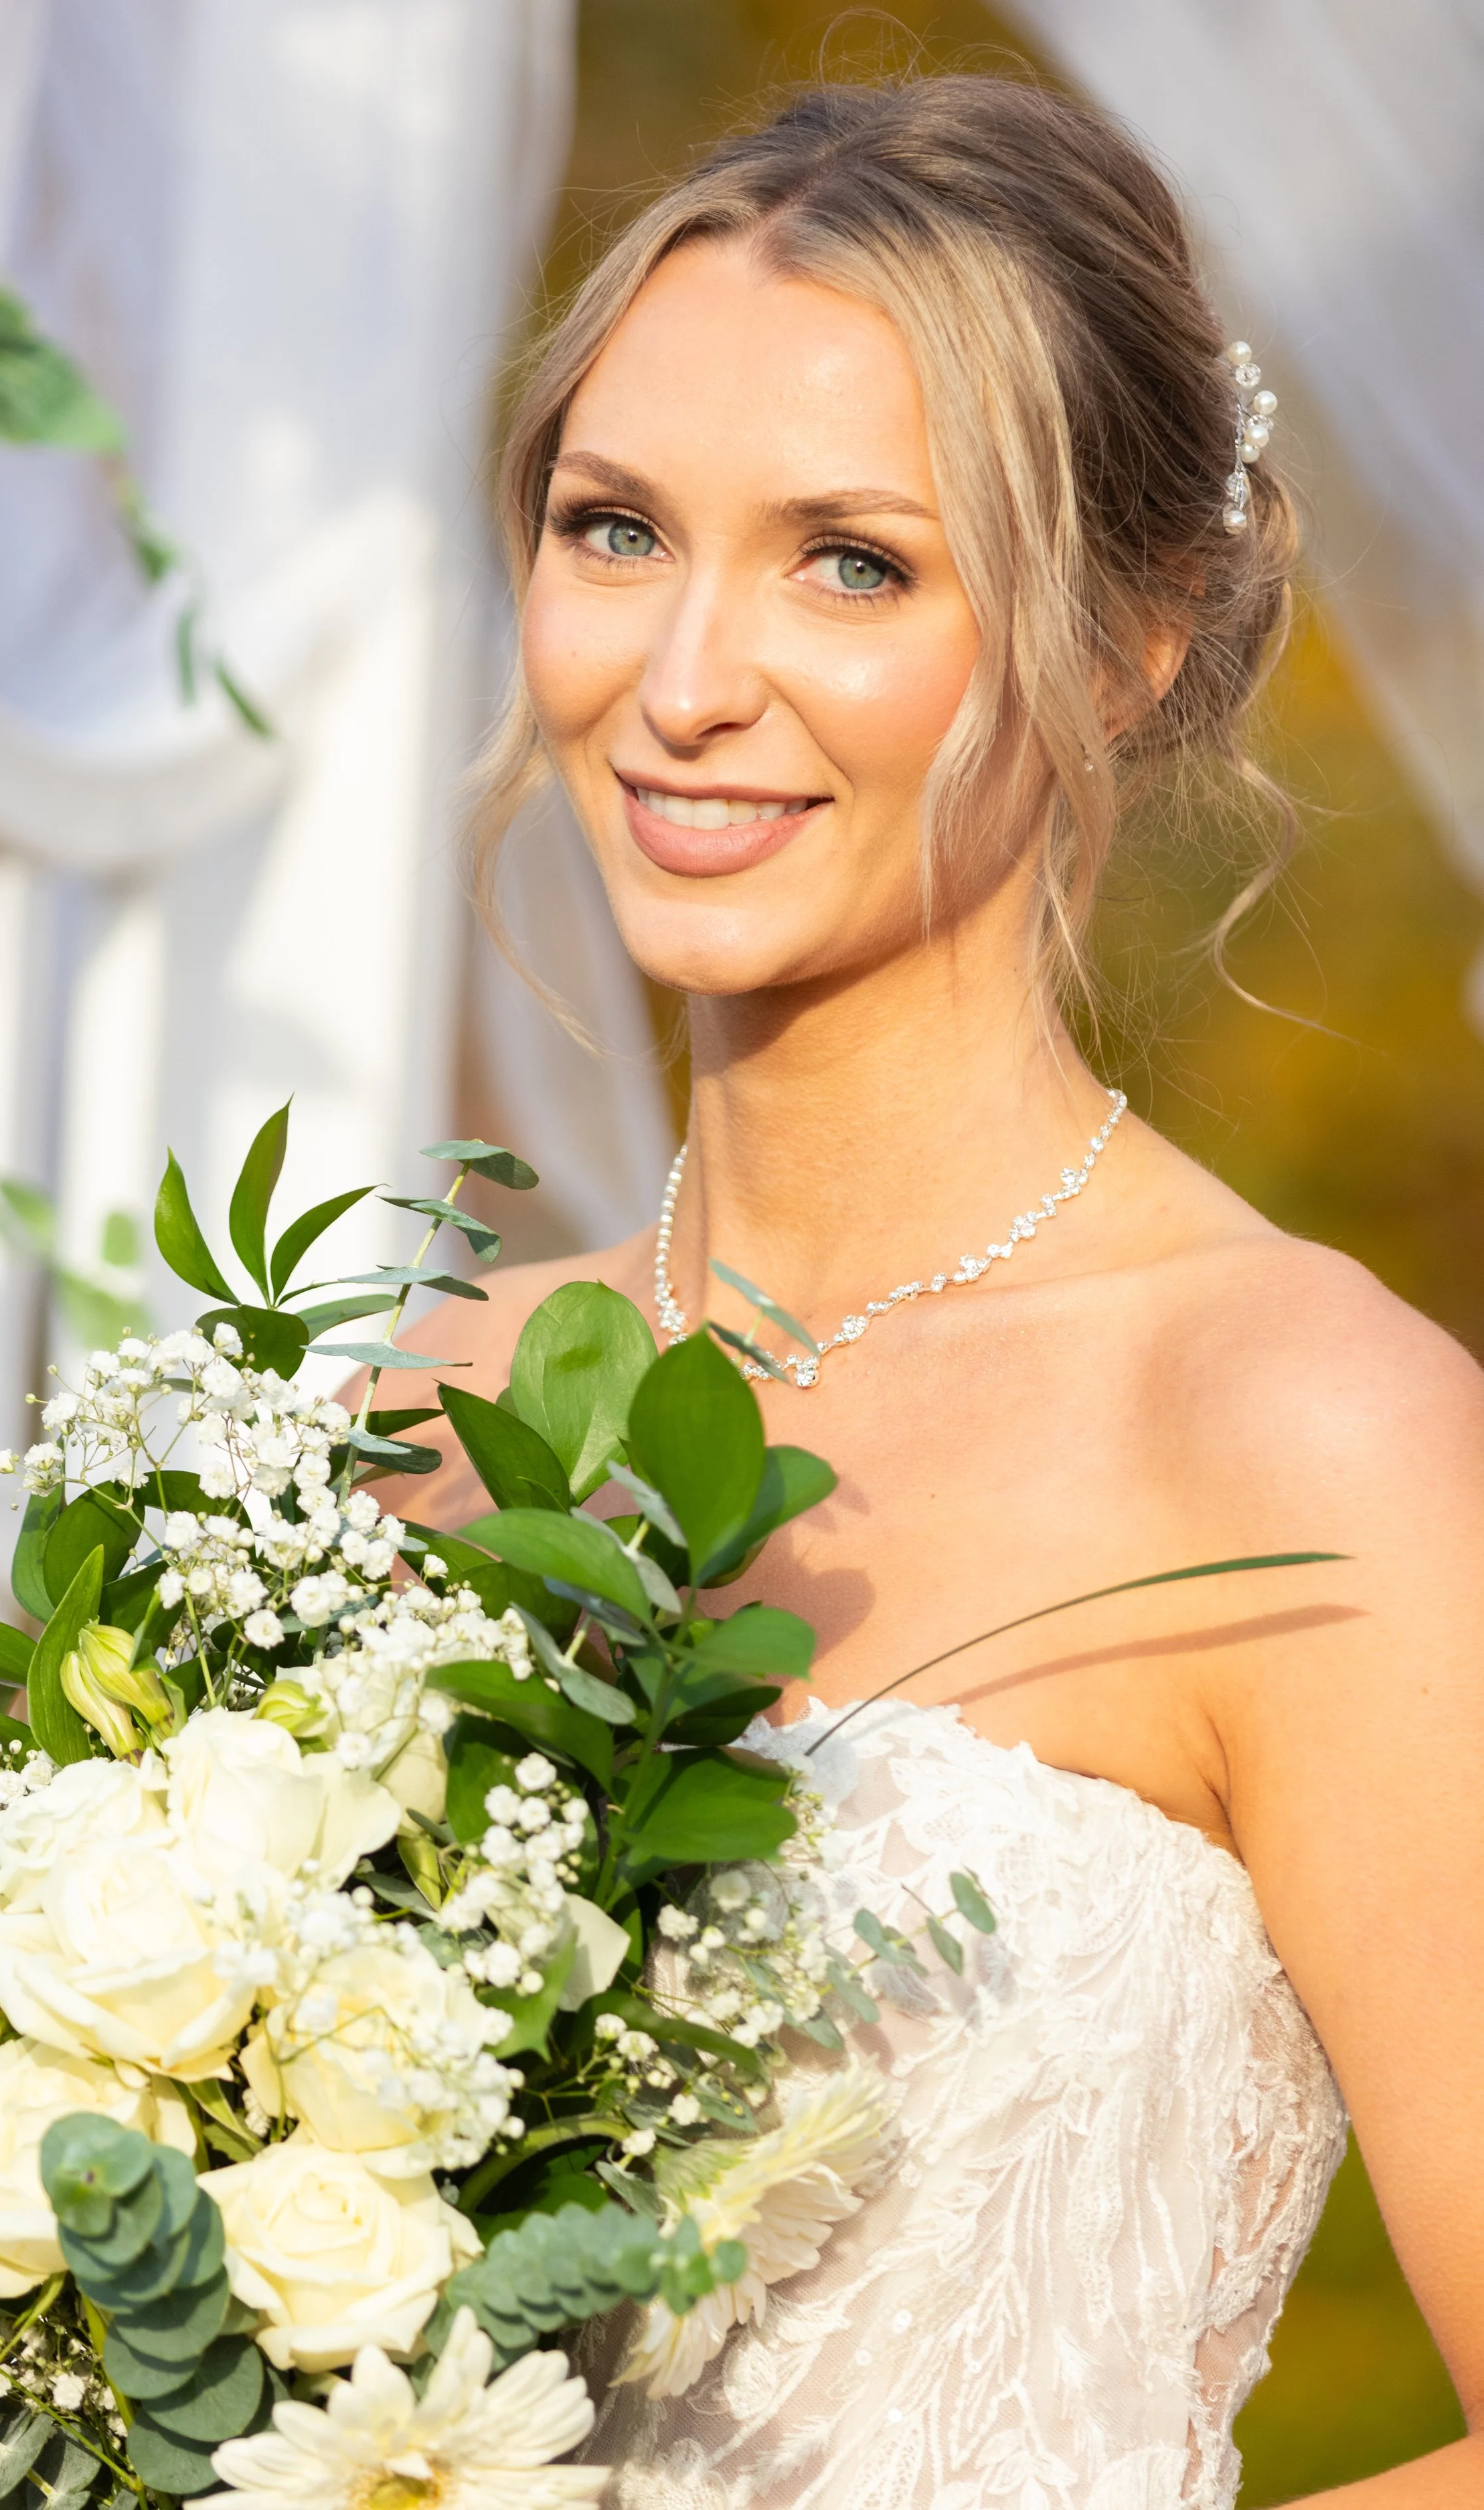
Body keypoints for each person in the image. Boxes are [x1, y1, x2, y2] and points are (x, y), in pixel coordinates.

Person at [377, 74, 1484, 2509]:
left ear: (1121, 644)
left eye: (849, 562)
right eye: (616, 528)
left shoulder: (1306, 1429)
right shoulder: (405, 1402)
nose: (680, 677)